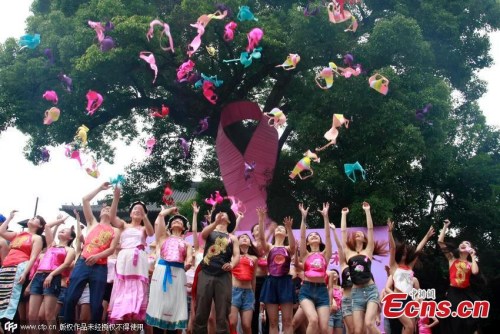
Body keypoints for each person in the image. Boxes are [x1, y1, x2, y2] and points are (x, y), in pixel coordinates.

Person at [63, 182, 120, 333]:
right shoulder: (92, 222)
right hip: (83, 263)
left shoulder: (115, 230)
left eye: (110, 208)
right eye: (104, 208)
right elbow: (85, 200)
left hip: (100, 267)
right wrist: (100, 188)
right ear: (100, 213)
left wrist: (97, 256)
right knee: (70, 299)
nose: (107, 210)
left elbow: (112, 248)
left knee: (96, 304)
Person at [108, 186, 154, 323]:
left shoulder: (144, 228)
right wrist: (116, 198)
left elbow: (151, 233)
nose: (137, 211)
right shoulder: (123, 225)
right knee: (123, 282)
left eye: (140, 210)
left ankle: (135, 310)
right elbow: (112, 217)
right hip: (124, 258)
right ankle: (121, 311)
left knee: (138, 283)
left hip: (138, 258)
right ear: (130, 213)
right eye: (135, 209)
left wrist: (145, 217)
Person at [341, 202, 388, 334]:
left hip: (370, 290)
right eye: (356, 233)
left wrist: (367, 211)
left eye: (361, 233)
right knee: (358, 330)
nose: (358, 234)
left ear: (364, 238)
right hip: (355, 293)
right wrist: (343, 215)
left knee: (369, 323)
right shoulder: (349, 252)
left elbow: (371, 229)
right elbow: (343, 232)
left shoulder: (368, 250)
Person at [193, 202, 240, 334]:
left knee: (223, 312)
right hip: (206, 272)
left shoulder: (233, 238)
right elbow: (203, 235)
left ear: (230, 220)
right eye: (219, 213)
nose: (221, 214)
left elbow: (237, 256)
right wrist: (214, 222)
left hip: (223, 275)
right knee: (201, 311)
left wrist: (232, 265)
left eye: (224, 213)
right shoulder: (211, 231)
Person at [146, 205, 192, 331]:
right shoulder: (162, 238)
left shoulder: (187, 244)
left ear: (184, 228)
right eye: (174, 220)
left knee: (174, 305)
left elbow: (189, 258)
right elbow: (161, 216)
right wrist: (171, 210)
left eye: (180, 221)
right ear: (170, 226)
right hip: (162, 270)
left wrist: (188, 264)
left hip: (179, 272)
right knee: (159, 304)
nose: (177, 221)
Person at [28, 215, 76, 331]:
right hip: (39, 276)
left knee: (49, 315)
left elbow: (65, 264)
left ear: (70, 237)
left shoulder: (70, 250)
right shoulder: (51, 245)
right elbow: (47, 226)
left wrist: (51, 275)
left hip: (53, 277)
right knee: (31, 315)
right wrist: (61, 221)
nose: (61, 230)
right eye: (61, 229)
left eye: (65, 231)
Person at [386, 219, 434, 334]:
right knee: (409, 326)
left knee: (410, 328)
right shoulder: (394, 266)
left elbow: (418, 250)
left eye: (406, 251)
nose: (405, 252)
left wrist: (426, 237)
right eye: (402, 251)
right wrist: (390, 233)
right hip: (397, 299)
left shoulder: (409, 267)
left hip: (409, 300)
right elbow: (392, 248)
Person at [0, 210, 44, 327]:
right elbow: (1, 231)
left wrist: (24, 273)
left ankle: (12, 329)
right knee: (2, 300)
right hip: (6, 267)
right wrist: (9, 218)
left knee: (13, 301)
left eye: (36, 219)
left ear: (40, 226)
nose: (32, 218)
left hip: (19, 267)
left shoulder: (36, 238)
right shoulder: (18, 234)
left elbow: (33, 257)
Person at [257, 207, 295, 334]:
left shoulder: (288, 248)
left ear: (285, 234)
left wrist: (289, 228)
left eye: (282, 228)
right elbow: (262, 239)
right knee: (272, 322)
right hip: (271, 282)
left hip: (285, 282)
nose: (279, 228)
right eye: (277, 228)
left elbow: (294, 246)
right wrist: (261, 220)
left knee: (287, 321)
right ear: (274, 233)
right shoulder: (269, 247)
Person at [438, 219, 480, 334]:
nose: (463, 244)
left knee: (473, 315)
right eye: (462, 242)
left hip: (466, 292)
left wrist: (473, 256)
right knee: (454, 319)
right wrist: (445, 226)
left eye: (467, 243)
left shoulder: (471, 263)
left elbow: (475, 272)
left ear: (470, 249)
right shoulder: (452, 259)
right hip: (454, 292)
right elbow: (440, 242)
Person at [298, 203, 332, 334]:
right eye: (310, 236)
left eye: (316, 235)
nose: (313, 236)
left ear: (320, 241)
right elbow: (301, 236)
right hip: (306, 290)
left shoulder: (326, 255)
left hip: (322, 292)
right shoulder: (305, 255)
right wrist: (303, 217)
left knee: (324, 329)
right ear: (307, 242)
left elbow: (328, 236)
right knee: (313, 319)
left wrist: (325, 217)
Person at [229, 233, 258, 334]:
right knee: (232, 323)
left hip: (248, 293)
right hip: (234, 291)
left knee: (246, 325)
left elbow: (253, 278)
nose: (245, 238)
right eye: (241, 237)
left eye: (247, 238)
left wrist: (253, 295)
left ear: (250, 243)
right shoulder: (232, 257)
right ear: (237, 242)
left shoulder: (254, 258)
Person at [327, 269, 343, 334]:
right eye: (331, 273)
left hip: (339, 313)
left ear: (338, 276)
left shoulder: (342, 288)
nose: (333, 274)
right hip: (329, 312)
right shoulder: (327, 287)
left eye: (335, 273)